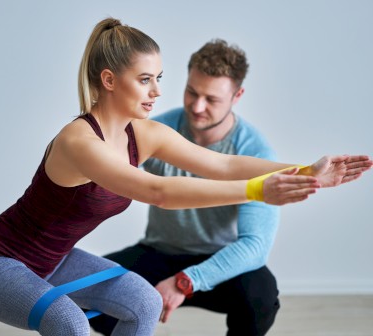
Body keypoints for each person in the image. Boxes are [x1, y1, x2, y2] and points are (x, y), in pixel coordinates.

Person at [0, 17, 371, 336]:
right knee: (69, 323)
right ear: (110, 80)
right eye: (146, 80)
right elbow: (158, 190)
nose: (157, 91)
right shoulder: (79, 142)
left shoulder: (144, 133)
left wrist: (303, 170)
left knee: (142, 301)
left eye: (159, 79)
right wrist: (259, 190)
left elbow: (223, 164)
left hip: (54, 261)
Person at [89, 39, 282, 335]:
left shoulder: (254, 152)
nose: (197, 106)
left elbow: (255, 247)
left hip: (221, 261)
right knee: (85, 287)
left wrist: (185, 281)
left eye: (211, 99)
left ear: (237, 95)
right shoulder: (156, 131)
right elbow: (105, 170)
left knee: (261, 295)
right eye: (191, 92)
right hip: (158, 252)